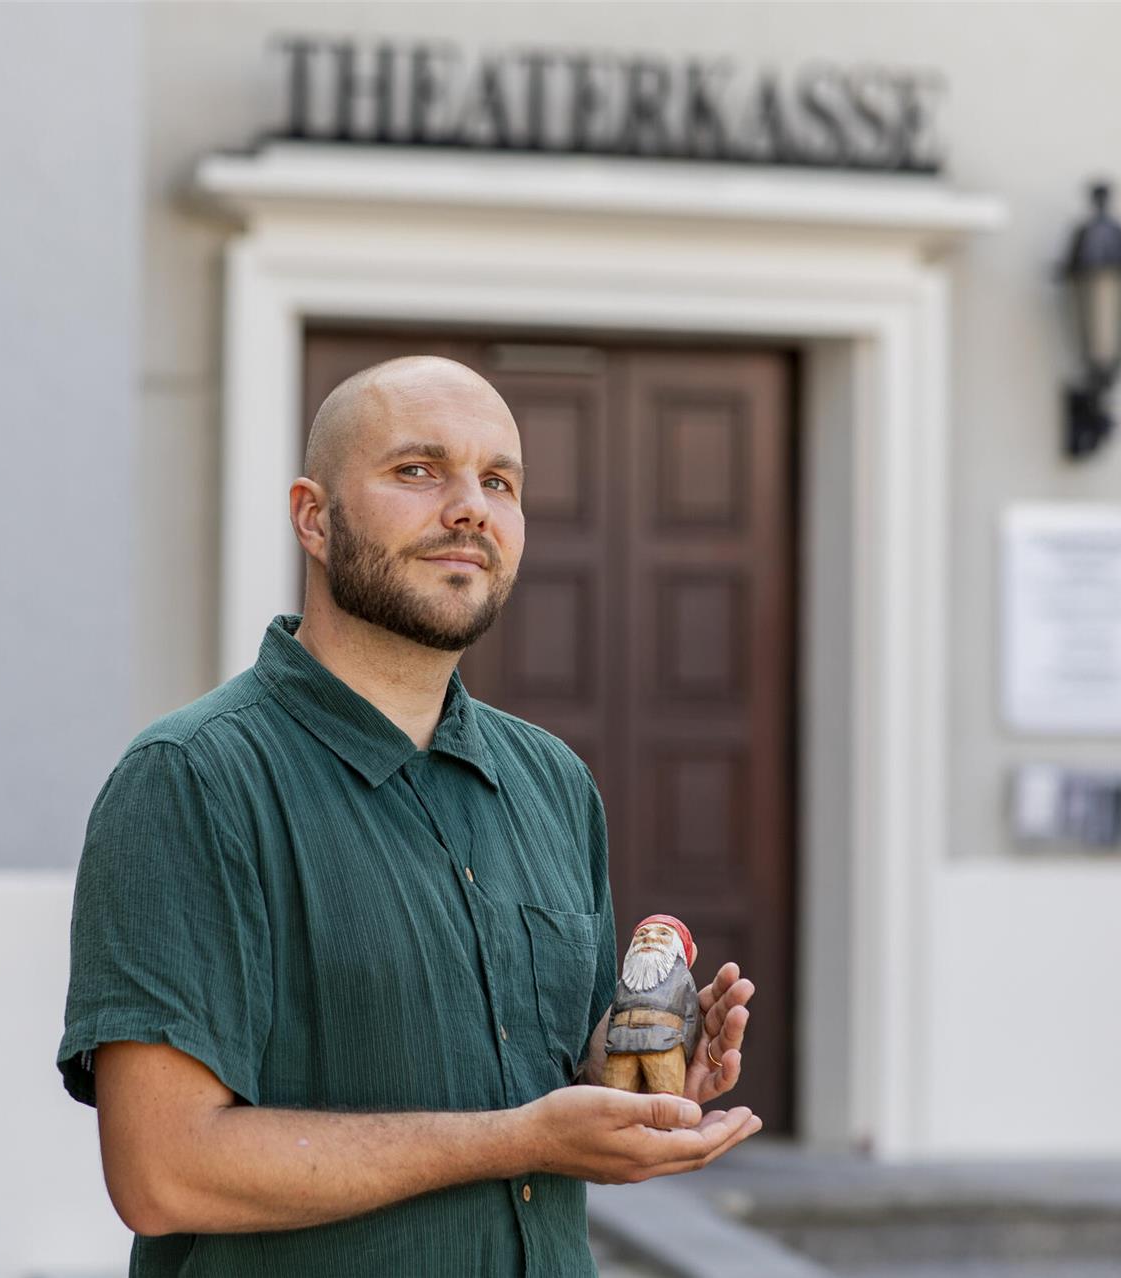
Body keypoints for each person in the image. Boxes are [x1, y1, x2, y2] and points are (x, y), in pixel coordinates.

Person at [56, 355, 760, 1276]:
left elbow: (547, 1090)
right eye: (419, 471)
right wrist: (522, 1139)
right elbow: (165, 1172)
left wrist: (631, 1079)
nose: (470, 505)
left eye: (498, 481)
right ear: (314, 516)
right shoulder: (191, 781)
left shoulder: (552, 782)